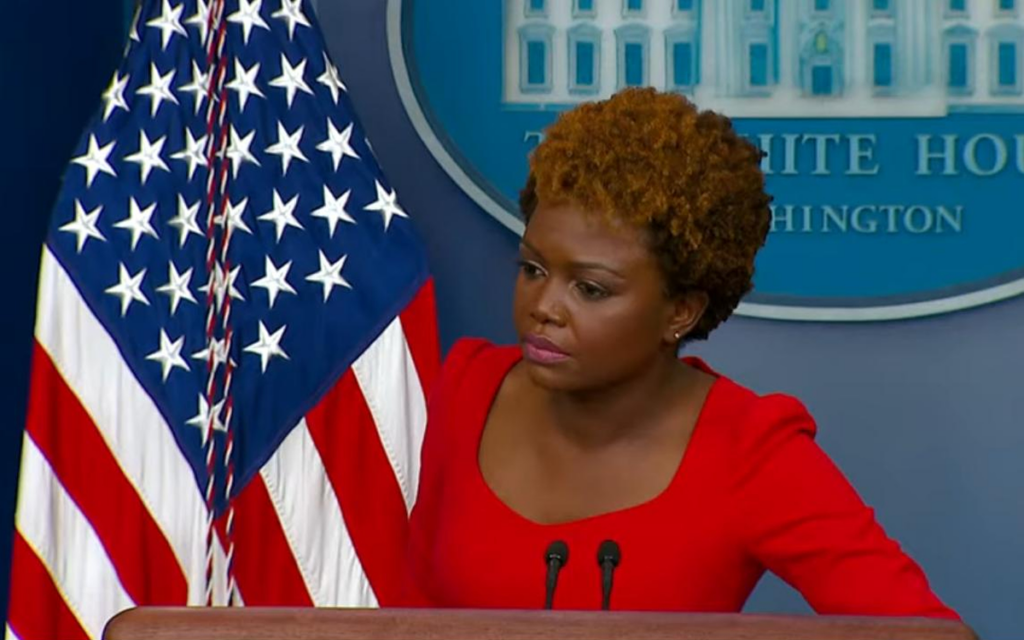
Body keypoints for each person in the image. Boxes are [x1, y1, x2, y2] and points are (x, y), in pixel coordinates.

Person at [400, 87, 958, 619]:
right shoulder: (464, 390)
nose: (543, 307)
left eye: (590, 288)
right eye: (533, 269)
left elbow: (920, 629)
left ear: (680, 312)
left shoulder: (750, 450)